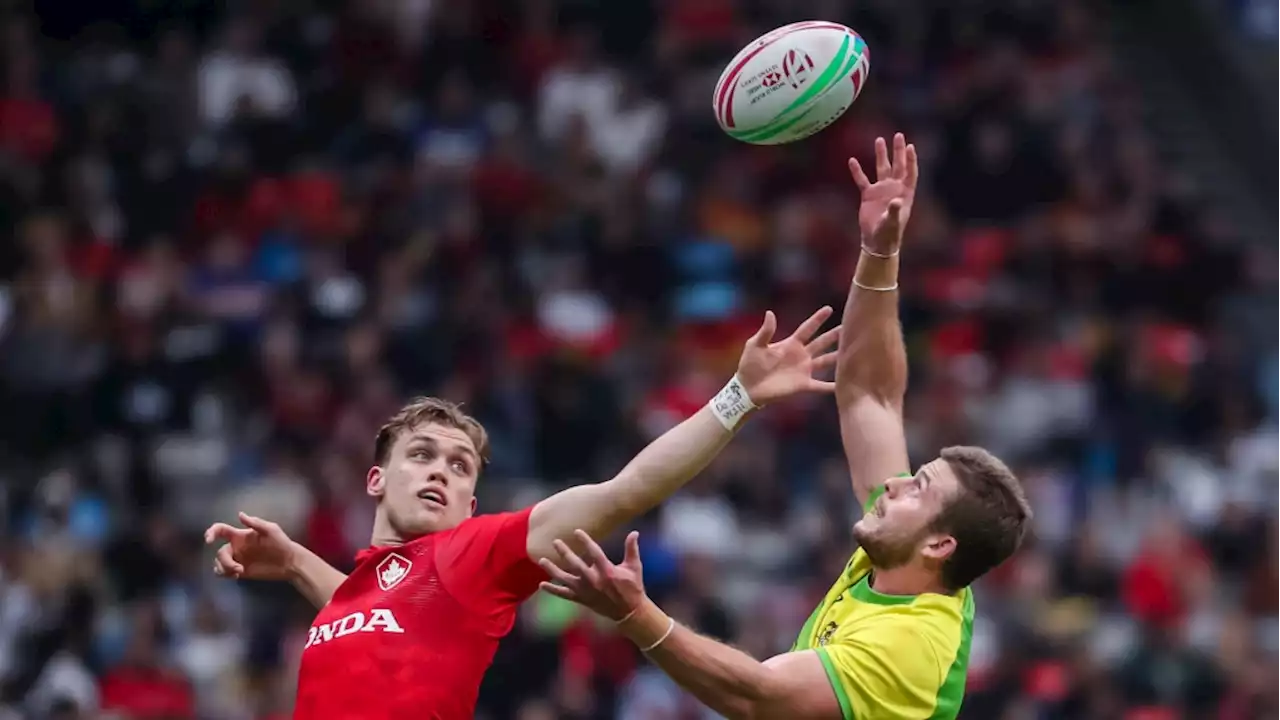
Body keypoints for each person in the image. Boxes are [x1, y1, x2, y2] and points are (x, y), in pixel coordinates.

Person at [537, 134, 1033, 720]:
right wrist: (880, 251)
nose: (896, 483)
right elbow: (869, 394)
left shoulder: (913, 645)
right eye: (913, 477)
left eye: (918, 489)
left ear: (940, 544)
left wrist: (634, 614)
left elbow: (758, 698)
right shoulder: (903, 560)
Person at [205, 306, 841, 720]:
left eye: (459, 467)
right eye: (421, 454)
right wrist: (291, 561)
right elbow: (358, 609)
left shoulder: (476, 554)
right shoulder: (373, 592)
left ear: (471, 504)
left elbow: (626, 489)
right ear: (376, 478)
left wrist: (738, 397)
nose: (439, 471)